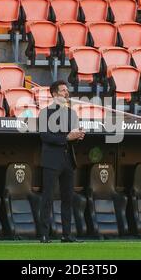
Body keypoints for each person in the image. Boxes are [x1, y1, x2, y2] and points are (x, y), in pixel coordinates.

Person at [38, 80, 85, 243]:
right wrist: (67, 137)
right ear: (54, 94)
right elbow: (45, 136)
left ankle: (66, 234)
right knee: (48, 197)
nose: (66, 93)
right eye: (63, 90)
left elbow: (71, 137)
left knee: (68, 198)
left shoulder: (71, 113)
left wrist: (78, 136)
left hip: (68, 160)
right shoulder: (45, 113)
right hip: (51, 160)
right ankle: (44, 234)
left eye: (67, 90)